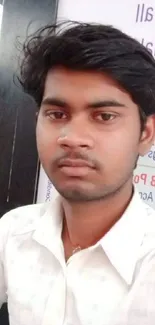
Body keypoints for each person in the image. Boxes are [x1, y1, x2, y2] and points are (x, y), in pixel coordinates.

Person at [1, 21, 155, 325]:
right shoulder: (13, 232)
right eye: (57, 114)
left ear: (146, 134)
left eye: (104, 116)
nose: (72, 137)